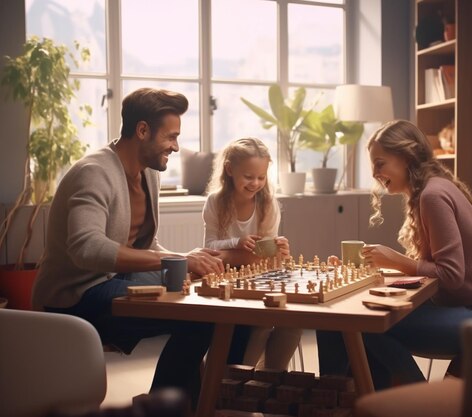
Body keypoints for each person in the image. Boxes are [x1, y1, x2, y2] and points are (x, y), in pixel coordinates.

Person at [31, 88, 239, 407]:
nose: (176, 145)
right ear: (142, 130)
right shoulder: (94, 172)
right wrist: (173, 259)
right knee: (198, 316)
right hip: (76, 294)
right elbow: (86, 248)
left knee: (204, 300)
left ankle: (185, 404)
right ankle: (161, 407)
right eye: (171, 136)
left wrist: (184, 262)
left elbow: (145, 245)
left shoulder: (147, 174)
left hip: (116, 280)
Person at [317, 119, 472, 389]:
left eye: (380, 163)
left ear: (406, 157)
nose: (375, 173)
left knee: (368, 324)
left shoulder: (432, 196)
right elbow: (434, 269)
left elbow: (451, 275)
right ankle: (360, 401)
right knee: (341, 321)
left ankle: (419, 403)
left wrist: (395, 260)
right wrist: (385, 270)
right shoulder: (428, 190)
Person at [202, 137, 300, 370]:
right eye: (248, 177)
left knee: (292, 324)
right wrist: (238, 242)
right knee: (260, 324)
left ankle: (271, 378)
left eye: (261, 177)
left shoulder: (268, 204)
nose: (255, 183)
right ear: (229, 170)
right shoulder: (215, 201)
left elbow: (267, 255)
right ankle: (234, 378)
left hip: (258, 278)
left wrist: (280, 249)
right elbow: (209, 247)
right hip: (224, 278)